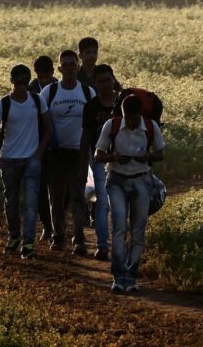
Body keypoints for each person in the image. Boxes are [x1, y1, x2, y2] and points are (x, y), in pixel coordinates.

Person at [94, 95, 165, 293]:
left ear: (140, 114)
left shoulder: (150, 127)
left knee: (138, 232)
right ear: (123, 114)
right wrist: (114, 157)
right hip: (116, 179)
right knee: (119, 229)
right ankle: (118, 276)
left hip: (142, 180)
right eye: (128, 118)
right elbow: (98, 155)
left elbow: (160, 153)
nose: (131, 123)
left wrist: (147, 156)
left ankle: (131, 276)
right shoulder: (113, 125)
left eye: (134, 119)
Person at [0, 64, 53, 259]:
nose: (22, 87)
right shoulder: (3, 104)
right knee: (11, 202)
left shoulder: (37, 100)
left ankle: (28, 243)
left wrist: (39, 154)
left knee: (31, 203)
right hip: (9, 160)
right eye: (19, 83)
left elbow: (48, 128)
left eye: (25, 83)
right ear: (12, 82)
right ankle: (14, 236)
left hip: (31, 160)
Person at [39, 50, 95, 254]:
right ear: (59, 68)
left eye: (73, 64)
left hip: (79, 154)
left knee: (79, 197)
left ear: (78, 67)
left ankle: (79, 239)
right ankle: (58, 235)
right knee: (56, 196)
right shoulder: (49, 93)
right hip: (55, 153)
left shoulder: (88, 93)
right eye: (66, 64)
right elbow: (41, 121)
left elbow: (93, 125)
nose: (70, 68)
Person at [81, 63, 118, 260]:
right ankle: (102, 245)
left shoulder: (123, 102)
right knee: (102, 202)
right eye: (100, 81)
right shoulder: (91, 106)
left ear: (114, 79)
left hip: (122, 160)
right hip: (98, 159)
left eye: (107, 80)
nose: (104, 84)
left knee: (120, 203)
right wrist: (83, 160)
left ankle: (120, 244)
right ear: (95, 83)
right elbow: (86, 135)